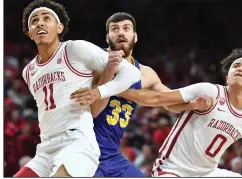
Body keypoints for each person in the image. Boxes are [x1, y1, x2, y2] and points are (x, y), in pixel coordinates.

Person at [72, 48, 242, 177]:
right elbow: (157, 99)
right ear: (227, 77)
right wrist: (109, 89)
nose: (240, 68)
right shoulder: (210, 91)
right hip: (172, 170)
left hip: (206, 173)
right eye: (236, 65)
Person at [70, 12, 212, 177]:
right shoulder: (92, 61)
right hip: (83, 148)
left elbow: (167, 101)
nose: (121, 32)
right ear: (108, 37)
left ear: (135, 37)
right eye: (115, 29)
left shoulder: (146, 73)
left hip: (111, 154)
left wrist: (193, 104)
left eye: (126, 28)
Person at [14, 0, 141, 177]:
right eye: (34, 21)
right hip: (45, 149)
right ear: (30, 34)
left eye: (46, 18)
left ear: (59, 27)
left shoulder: (75, 49)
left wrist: (98, 92)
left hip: (76, 142)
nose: (40, 23)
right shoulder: (29, 71)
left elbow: (132, 73)